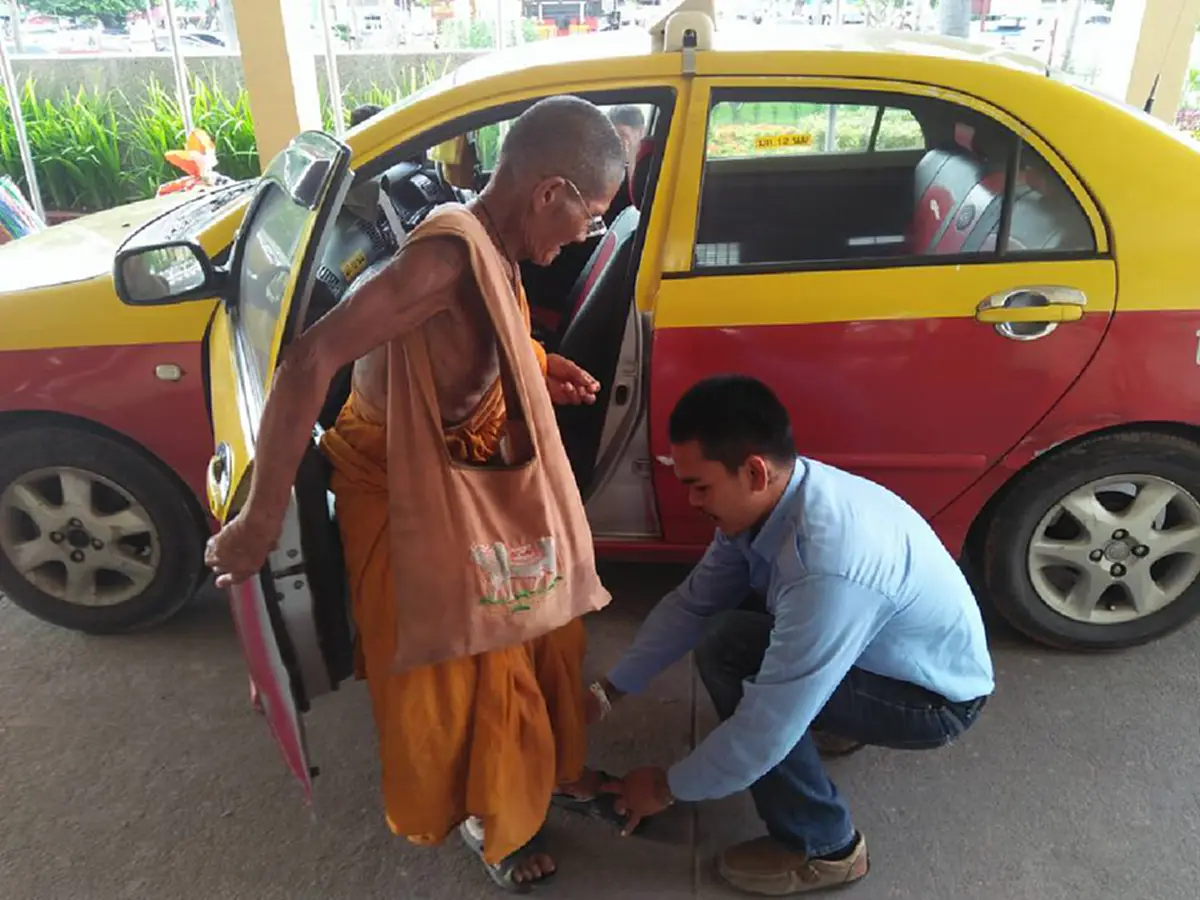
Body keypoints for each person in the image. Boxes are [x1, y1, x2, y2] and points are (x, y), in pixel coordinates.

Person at [204, 95, 629, 891]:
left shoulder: (493, 242)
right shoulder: (442, 260)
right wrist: (259, 520)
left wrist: (537, 364)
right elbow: (308, 361)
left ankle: (541, 774)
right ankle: (489, 817)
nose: (586, 235)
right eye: (592, 217)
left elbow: (478, 335)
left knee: (549, 627)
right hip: (404, 487)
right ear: (551, 193)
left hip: (471, 472)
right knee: (469, 663)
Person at [591, 374, 995, 895]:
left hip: (933, 701)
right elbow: (693, 604)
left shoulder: (828, 562)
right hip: (885, 653)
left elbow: (765, 729)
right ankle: (832, 718)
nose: (690, 500)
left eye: (700, 486)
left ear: (754, 471)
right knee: (725, 632)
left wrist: (666, 788)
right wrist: (610, 690)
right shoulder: (778, 497)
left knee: (744, 675)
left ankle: (827, 846)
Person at [606, 105, 646, 172]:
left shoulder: (655, 160)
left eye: (622, 135)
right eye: (611, 135)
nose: (615, 141)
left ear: (640, 132)